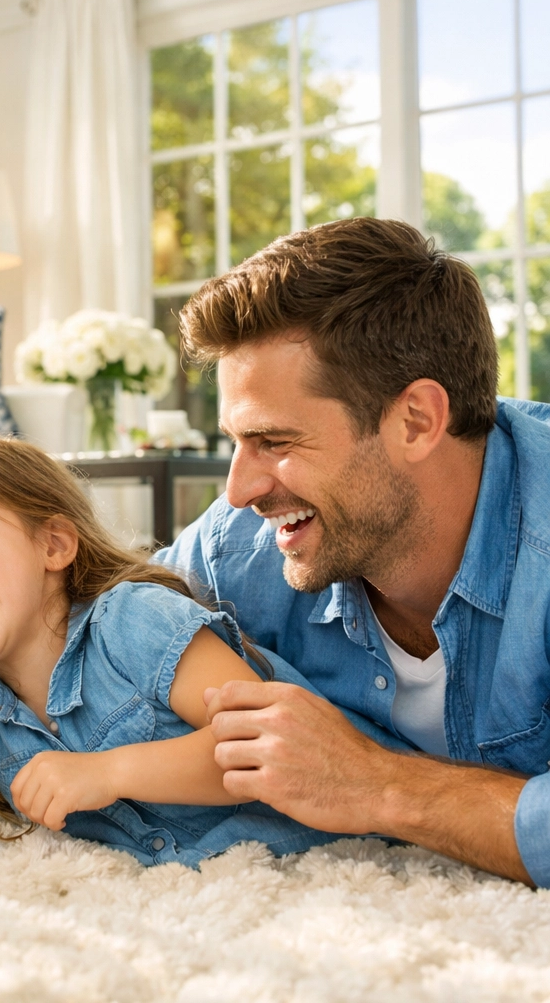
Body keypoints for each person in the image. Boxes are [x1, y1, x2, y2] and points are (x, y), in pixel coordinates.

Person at [0, 438, 402, 866]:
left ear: (53, 545)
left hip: (324, 852)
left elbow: (263, 746)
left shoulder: (133, 620)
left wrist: (106, 773)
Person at [157, 216, 550, 886]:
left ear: (417, 420)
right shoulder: (238, 547)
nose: (240, 489)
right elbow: (80, 619)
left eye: (275, 442)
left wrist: (376, 785)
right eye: (236, 442)